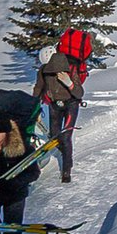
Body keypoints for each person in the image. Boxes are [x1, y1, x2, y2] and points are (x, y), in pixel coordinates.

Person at [33, 35, 87, 183]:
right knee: (55, 135)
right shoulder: (43, 70)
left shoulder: (70, 68)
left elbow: (79, 92)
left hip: (71, 104)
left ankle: (66, 170)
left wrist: (69, 83)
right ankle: (65, 152)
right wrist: (33, 106)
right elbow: (38, 88)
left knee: (66, 136)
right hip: (54, 104)